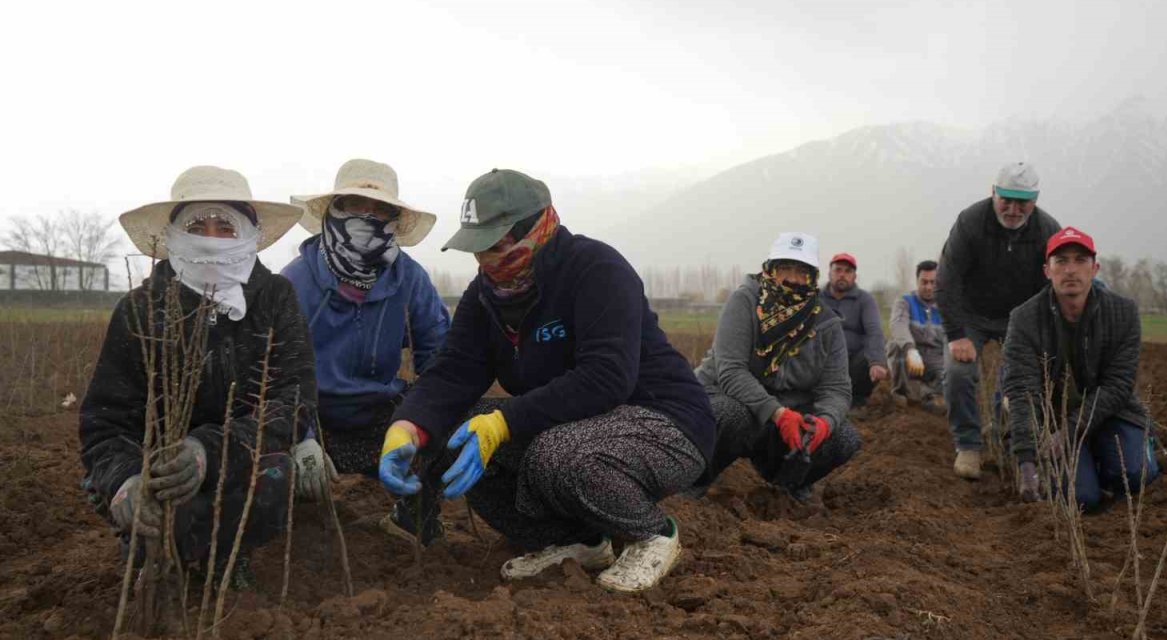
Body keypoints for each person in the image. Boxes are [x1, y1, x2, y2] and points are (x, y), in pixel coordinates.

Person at [375, 169, 715, 593]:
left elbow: (607, 378)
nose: (486, 262)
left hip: (664, 422)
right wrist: (407, 427)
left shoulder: (595, 269)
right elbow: (452, 371)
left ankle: (653, 534)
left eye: (496, 246)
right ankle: (576, 542)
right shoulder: (485, 298)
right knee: (452, 433)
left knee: (553, 454)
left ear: (539, 227)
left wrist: (504, 421)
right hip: (577, 426)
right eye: (478, 249)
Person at [80, 166, 316, 582]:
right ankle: (157, 548)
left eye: (225, 226)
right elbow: (105, 421)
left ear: (248, 234)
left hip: (243, 463)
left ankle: (228, 553)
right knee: (147, 504)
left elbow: (293, 400)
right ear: (173, 235)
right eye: (196, 226)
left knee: (276, 475)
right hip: (158, 468)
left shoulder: (275, 298)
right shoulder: (140, 309)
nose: (210, 238)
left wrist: (209, 451)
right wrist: (125, 479)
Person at [283, 159, 450, 497]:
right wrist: (300, 437)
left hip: (383, 416)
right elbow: (276, 374)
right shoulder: (293, 282)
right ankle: (301, 518)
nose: (367, 216)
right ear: (334, 209)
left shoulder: (410, 279)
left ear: (394, 219)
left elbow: (439, 358)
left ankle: (414, 515)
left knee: (456, 422)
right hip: (311, 421)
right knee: (269, 461)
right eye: (355, 205)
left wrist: (420, 420)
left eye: (380, 209)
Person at [694, 232, 861, 501]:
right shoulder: (745, 301)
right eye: (785, 268)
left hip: (788, 417)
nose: (792, 279)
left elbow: (837, 388)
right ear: (770, 269)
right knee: (731, 414)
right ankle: (694, 482)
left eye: (801, 271)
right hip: (733, 401)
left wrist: (823, 423)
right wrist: (777, 413)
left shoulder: (826, 323)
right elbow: (731, 371)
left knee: (844, 437)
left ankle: (787, 487)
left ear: (812, 277)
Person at [1003, 227, 1159, 510]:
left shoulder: (1123, 313)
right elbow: (1023, 390)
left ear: (1095, 268)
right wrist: (1026, 461)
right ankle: (1086, 466)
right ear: (1047, 270)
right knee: (1081, 499)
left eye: (1080, 260)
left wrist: (1071, 431)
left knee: (1135, 476)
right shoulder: (1024, 319)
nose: (1070, 270)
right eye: (1061, 261)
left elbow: (1118, 386)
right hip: (1055, 419)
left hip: (1110, 411)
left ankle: (1121, 449)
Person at [935, 162, 1061, 480]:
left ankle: (1003, 430)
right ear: (993, 193)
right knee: (958, 372)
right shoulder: (970, 222)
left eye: (1023, 202)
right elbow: (947, 280)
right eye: (1007, 199)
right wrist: (956, 334)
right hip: (971, 315)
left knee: (1019, 381)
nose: (1014, 209)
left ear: (1035, 200)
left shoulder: (1047, 231)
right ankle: (968, 445)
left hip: (1020, 317)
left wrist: (1040, 333)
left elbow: (1053, 288)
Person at [819, 252, 888, 409]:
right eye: (838, 270)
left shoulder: (865, 300)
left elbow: (874, 331)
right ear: (829, 273)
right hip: (822, 362)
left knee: (871, 354)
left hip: (853, 366)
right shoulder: (816, 298)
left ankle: (856, 401)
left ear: (854, 277)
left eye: (848, 271)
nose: (842, 275)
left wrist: (876, 362)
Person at [887, 260, 947, 414]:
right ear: (917, 281)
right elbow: (897, 325)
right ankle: (901, 394)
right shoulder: (905, 302)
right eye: (924, 282)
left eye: (933, 282)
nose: (928, 287)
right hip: (911, 356)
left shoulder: (946, 307)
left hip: (936, 358)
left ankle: (929, 395)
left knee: (951, 372)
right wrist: (910, 349)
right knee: (895, 346)